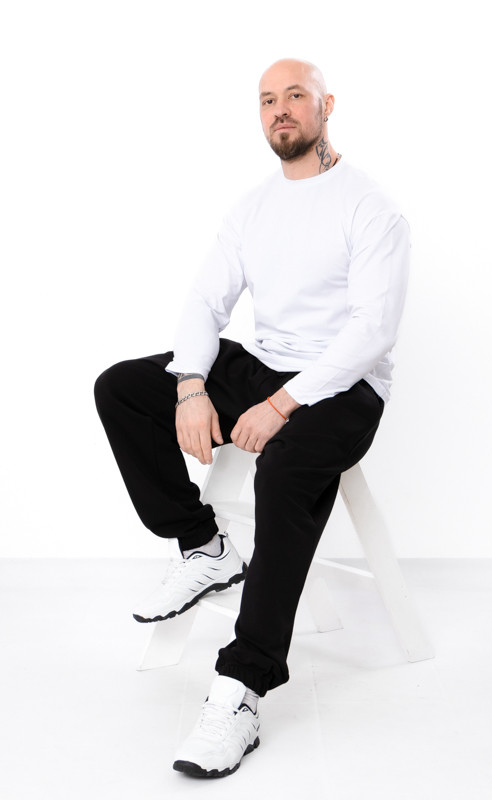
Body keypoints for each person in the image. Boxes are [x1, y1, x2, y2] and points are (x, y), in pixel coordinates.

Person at [94, 57, 410, 778]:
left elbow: (371, 331)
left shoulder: (369, 207)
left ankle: (242, 686)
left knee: (287, 468)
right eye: (268, 100)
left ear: (327, 105)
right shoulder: (253, 207)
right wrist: (191, 385)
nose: (280, 110)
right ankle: (203, 546)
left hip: (345, 387)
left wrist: (280, 405)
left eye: (295, 96)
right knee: (122, 388)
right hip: (263, 365)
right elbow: (205, 302)